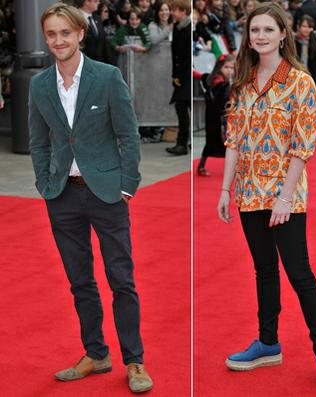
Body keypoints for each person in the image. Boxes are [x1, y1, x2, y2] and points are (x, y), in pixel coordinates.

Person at [216, 2, 316, 389]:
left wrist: (285, 197)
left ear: (283, 34)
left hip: (285, 194)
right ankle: (268, 342)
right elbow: (234, 141)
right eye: (254, 30)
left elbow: (303, 146)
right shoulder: (243, 80)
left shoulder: (300, 81)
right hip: (248, 192)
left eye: (268, 30)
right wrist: (225, 189)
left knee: (299, 272)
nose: (260, 36)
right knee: (263, 270)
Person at [27, 3, 152, 393]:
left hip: (107, 194)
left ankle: (134, 361)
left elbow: (128, 135)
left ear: (81, 33)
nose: (58, 40)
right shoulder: (39, 85)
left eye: (65, 33)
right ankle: (96, 354)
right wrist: (45, 183)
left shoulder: (107, 76)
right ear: (46, 39)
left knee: (121, 280)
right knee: (80, 281)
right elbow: (38, 140)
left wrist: (127, 184)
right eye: (52, 34)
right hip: (62, 195)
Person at [198, 54, 235, 176]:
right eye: (226, 67)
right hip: (217, 117)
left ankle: (201, 166)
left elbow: (201, 76)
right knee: (223, 142)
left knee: (215, 142)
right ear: (219, 67)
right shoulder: (220, 83)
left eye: (231, 68)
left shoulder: (215, 79)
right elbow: (222, 101)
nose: (229, 70)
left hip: (214, 116)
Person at [167, 0, 192, 155]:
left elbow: (187, 57)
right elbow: (175, 55)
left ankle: (182, 144)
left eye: (175, 10)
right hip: (180, 75)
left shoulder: (189, 28)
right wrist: (175, 75)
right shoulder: (177, 27)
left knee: (181, 107)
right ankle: (183, 143)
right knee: (181, 108)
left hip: (186, 76)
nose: (172, 13)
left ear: (183, 11)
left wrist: (180, 77)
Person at [295, 15, 316, 126]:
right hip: (296, 78)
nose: (306, 29)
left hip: (311, 77)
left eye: (309, 27)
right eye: (304, 26)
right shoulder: (293, 42)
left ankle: (311, 131)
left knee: (311, 106)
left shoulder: (314, 40)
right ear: (298, 27)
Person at [77, 0, 115, 65]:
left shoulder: (97, 18)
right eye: (96, 1)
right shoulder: (76, 18)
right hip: (84, 65)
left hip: (100, 65)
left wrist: (111, 65)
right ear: (87, 2)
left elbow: (104, 44)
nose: (98, 2)